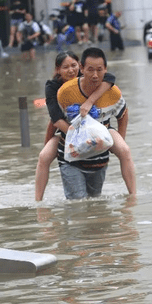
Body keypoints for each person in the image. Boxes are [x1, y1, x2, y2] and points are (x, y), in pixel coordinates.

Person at [55, 47, 132, 200]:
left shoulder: (113, 92)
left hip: (99, 159)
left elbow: (123, 114)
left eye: (99, 70)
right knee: (78, 204)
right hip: (71, 159)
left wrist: (118, 141)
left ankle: (133, 197)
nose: (95, 75)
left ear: (105, 70)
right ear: (81, 68)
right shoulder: (65, 91)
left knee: (95, 203)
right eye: (90, 70)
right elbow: (55, 119)